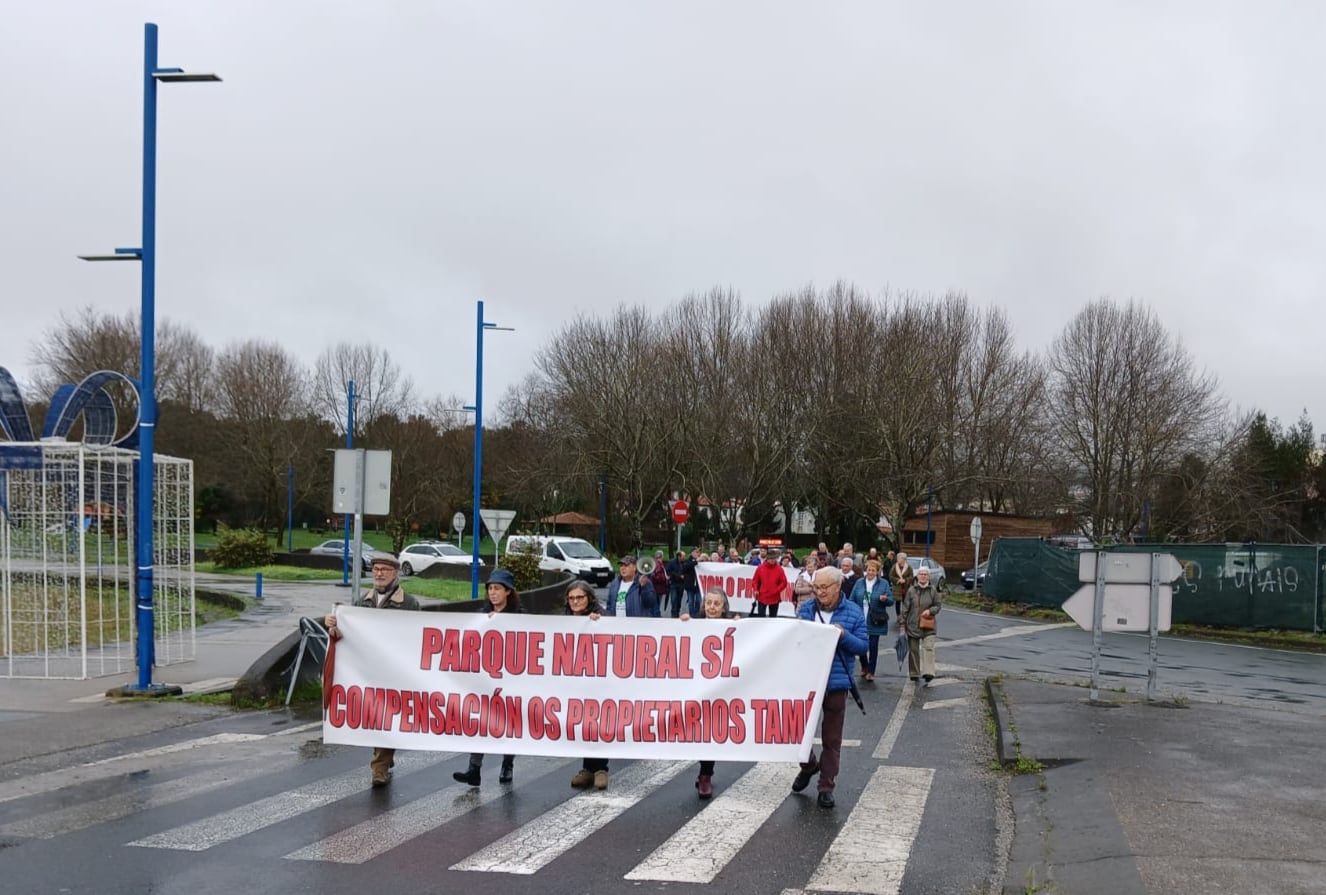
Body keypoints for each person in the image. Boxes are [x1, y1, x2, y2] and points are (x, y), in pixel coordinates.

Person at [322, 554, 419, 788]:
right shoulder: (361, 603)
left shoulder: (409, 604)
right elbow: (348, 636)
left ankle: (380, 767)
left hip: (394, 670)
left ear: (395, 573)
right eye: (376, 569)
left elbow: (417, 635)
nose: (379, 573)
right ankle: (384, 757)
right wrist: (333, 627)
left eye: (385, 570)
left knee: (387, 716)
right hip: (366, 670)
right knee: (374, 715)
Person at [793, 565, 868, 808]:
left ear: (838, 587)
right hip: (807, 683)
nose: (819, 592)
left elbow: (862, 647)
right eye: (816, 587)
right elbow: (796, 642)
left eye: (824, 587)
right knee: (797, 733)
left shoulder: (854, 613)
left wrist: (843, 635)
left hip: (836, 684)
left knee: (832, 739)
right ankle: (809, 765)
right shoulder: (806, 610)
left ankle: (826, 785)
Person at [453, 569, 522, 786]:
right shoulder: (481, 614)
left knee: (509, 723)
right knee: (481, 721)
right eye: (490, 589)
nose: (493, 593)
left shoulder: (521, 616)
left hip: (511, 678)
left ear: (508, 592)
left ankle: (507, 765)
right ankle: (474, 769)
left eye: (497, 589)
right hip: (485, 677)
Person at [679, 585, 737, 798]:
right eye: (708, 603)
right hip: (695, 687)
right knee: (696, 731)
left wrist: (744, 628)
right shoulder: (693, 624)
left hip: (720, 688)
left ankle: (706, 775)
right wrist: (683, 625)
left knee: (711, 731)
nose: (712, 607)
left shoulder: (733, 625)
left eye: (716, 604)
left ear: (724, 608)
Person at [563, 580, 611, 790]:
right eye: (571, 598)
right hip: (576, 680)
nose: (575, 602)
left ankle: (601, 769)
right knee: (583, 723)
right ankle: (587, 769)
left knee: (598, 722)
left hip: (599, 680)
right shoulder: (564, 620)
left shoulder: (601, 617)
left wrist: (599, 623)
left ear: (590, 598)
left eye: (579, 597)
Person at [851, 558, 893, 681]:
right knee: (860, 644)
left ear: (877, 572)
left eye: (873, 570)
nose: (870, 572)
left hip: (875, 618)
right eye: (869, 570)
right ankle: (864, 665)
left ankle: (871, 671)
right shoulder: (859, 582)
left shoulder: (883, 583)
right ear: (865, 570)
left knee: (873, 646)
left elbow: (891, 600)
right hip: (860, 617)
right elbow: (852, 598)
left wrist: (885, 599)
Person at [900, 565, 942, 686]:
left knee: (928, 648)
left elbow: (938, 606)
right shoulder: (911, 590)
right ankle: (914, 673)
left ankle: (929, 672)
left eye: (925, 574)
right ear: (917, 576)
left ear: (928, 577)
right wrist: (903, 623)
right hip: (913, 625)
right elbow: (905, 608)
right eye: (921, 574)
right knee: (913, 650)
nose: (923, 576)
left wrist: (930, 611)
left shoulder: (933, 590)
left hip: (928, 625)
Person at [751, 548, 787, 618]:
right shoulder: (760, 568)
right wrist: (755, 589)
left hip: (774, 597)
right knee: (761, 617)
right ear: (767, 559)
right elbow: (755, 581)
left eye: (774, 559)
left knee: (773, 617)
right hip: (762, 596)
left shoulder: (779, 569)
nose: (772, 560)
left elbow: (784, 582)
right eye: (771, 559)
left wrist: (776, 590)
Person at [890, 552, 915, 622]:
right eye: (897, 558)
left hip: (906, 588)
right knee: (897, 602)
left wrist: (905, 580)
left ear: (903, 559)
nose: (898, 559)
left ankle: (905, 615)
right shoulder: (895, 567)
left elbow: (911, 576)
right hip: (897, 588)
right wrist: (898, 580)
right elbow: (891, 576)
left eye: (899, 558)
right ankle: (898, 616)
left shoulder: (908, 567)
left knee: (906, 602)